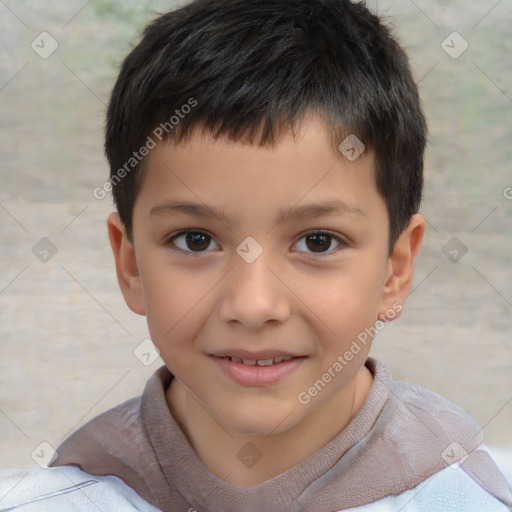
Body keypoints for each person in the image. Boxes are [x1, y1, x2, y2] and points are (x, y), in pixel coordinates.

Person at [1, 0, 511, 510]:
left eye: (318, 241)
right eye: (195, 240)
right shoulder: (61, 499)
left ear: (394, 271)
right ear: (131, 265)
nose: (253, 304)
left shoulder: (464, 497)